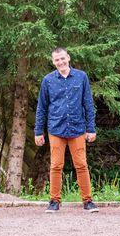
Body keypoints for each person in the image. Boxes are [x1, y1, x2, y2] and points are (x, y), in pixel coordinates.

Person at [34, 47, 99, 213]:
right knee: (56, 165)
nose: (60, 62)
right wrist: (38, 132)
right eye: (57, 60)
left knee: (81, 164)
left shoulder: (81, 77)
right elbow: (42, 107)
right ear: (53, 62)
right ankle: (54, 201)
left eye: (62, 58)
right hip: (56, 128)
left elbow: (88, 104)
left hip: (77, 128)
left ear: (68, 58)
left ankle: (88, 201)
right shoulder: (48, 80)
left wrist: (91, 128)